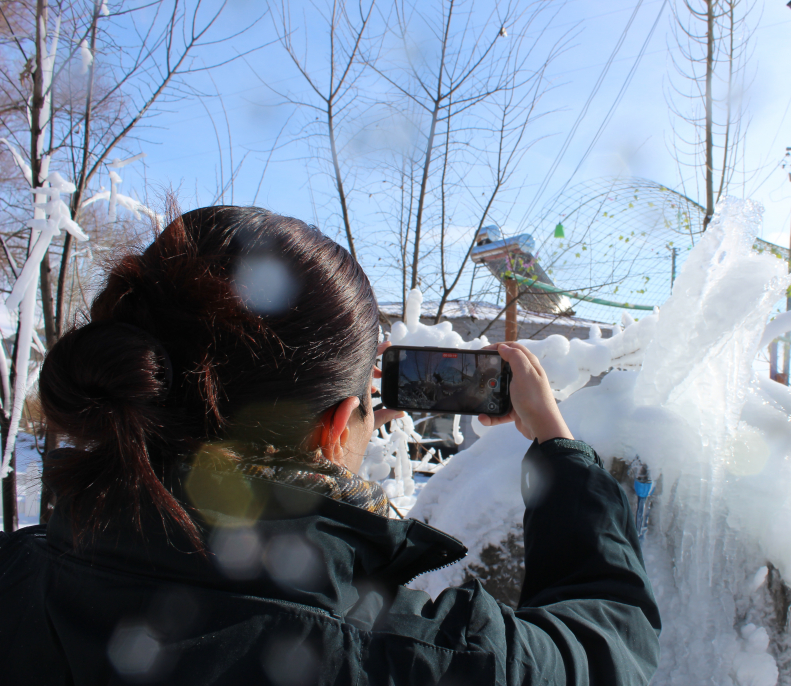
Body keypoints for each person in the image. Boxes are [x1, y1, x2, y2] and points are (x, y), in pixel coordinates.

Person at [0, 206, 660, 685]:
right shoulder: (407, 657)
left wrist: (334, 426)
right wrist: (557, 445)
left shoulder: (22, 574)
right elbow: (607, 647)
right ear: (336, 425)